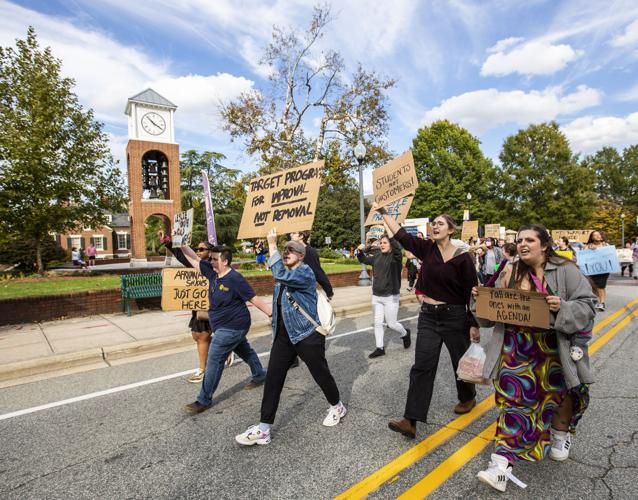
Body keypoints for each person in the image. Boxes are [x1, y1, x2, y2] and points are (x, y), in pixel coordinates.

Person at [474, 224, 596, 492]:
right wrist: (480, 300)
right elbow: (488, 312)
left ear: (544, 245)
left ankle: (560, 433)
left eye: (530, 240)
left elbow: (588, 306)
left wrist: (562, 306)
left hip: (554, 347)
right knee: (514, 403)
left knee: (561, 396)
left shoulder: (566, 271)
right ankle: (500, 467)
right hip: (516, 349)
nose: (523, 244)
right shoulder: (509, 270)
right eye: (519, 240)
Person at [374, 204, 479, 439]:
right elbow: (400, 234)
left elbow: (473, 293)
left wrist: (473, 323)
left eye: (440, 223)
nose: (435, 226)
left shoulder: (463, 259)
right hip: (429, 317)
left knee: (459, 362)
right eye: (433, 223)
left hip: (455, 316)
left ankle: (467, 396)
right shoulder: (427, 249)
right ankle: (410, 420)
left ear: (451, 230)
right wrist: (383, 214)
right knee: (422, 366)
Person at [235, 229, 345, 446]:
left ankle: (337, 406)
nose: (286, 252)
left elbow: (279, 274)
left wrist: (273, 245)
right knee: (273, 379)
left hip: (307, 334)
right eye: (285, 249)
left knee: (320, 374)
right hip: (284, 337)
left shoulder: (304, 272)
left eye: (291, 250)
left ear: (301, 255)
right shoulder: (284, 277)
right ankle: (264, 428)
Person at [179, 244, 272, 414]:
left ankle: (203, 400)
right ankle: (259, 374)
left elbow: (254, 298)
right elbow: (193, 258)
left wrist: (271, 314)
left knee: (214, 359)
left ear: (226, 261)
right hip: (223, 326)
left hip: (234, 326)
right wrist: (181, 244)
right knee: (244, 350)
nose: (211, 261)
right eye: (211, 259)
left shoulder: (235, 279)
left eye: (215, 259)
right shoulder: (212, 272)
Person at [160, 232, 233, 383]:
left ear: (210, 252)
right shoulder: (194, 264)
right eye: (197, 249)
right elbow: (181, 256)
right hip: (199, 306)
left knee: (203, 336)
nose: (198, 252)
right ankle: (224, 351)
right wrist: (168, 242)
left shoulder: (216, 267)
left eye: (202, 249)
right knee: (198, 335)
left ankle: (203, 369)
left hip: (214, 306)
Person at [356, 231, 411, 358]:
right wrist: (359, 251)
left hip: (390, 296)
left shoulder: (395, 257)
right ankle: (380, 347)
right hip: (376, 296)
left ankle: (404, 333)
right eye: (381, 243)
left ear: (391, 244)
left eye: (385, 243)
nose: (382, 245)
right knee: (378, 322)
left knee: (391, 324)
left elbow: (397, 248)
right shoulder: (377, 255)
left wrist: (391, 237)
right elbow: (364, 259)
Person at [289, 231, 334, 299]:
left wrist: (329, 291)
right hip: (293, 291)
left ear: (301, 236)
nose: (290, 234)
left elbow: (318, 272)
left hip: (305, 293)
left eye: (294, 233)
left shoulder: (309, 252)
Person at [586, 230, 609, 311]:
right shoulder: (588, 246)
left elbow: (610, 255)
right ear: (592, 238)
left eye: (599, 234)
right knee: (593, 285)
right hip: (592, 269)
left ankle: (602, 303)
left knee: (601, 286)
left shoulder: (606, 245)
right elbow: (583, 256)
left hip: (604, 269)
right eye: (595, 235)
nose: (598, 236)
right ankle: (595, 299)